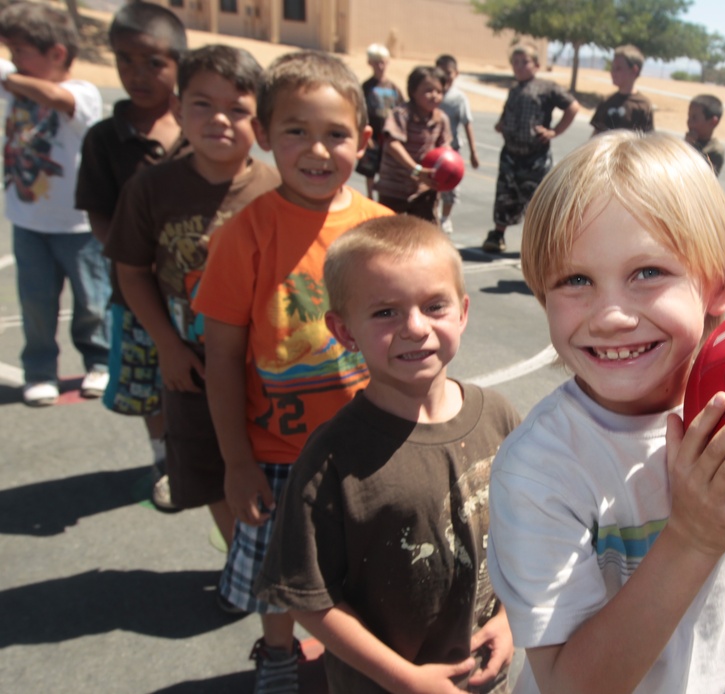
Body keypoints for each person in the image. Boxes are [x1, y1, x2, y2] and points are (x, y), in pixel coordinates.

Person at [487, 131, 725, 694]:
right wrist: (693, 536)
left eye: (647, 273)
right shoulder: (540, 470)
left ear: (718, 285)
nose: (611, 316)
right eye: (576, 280)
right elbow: (572, 686)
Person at [190, 50, 393, 694]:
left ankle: (364, 658)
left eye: (335, 133)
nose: (316, 149)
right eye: (296, 131)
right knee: (281, 575)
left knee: (362, 566)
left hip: (370, 445)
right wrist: (237, 461)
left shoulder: (382, 230)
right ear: (265, 137)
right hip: (278, 451)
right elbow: (220, 356)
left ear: (362, 141)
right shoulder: (244, 236)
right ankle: (278, 654)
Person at [255, 215, 521, 694]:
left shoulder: (499, 417)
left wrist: (509, 619)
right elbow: (308, 598)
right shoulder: (333, 457)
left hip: (486, 676)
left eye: (433, 305)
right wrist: (407, 681)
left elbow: (531, 535)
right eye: (385, 313)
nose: (414, 328)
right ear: (343, 330)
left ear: (462, 312)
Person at [106, 45, 279, 561]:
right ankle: (240, 561)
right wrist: (167, 347)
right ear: (178, 109)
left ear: (262, 124)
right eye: (203, 104)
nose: (220, 120)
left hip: (265, 369)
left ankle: (265, 566)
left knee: (265, 467)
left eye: (238, 109)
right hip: (191, 367)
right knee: (207, 471)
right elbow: (132, 272)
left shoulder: (278, 189)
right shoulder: (150, 189)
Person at [75, 0, 187, 510]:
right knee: (153, 383)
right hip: (138, 291)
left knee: (205, 376)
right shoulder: (105, 138)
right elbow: (98, 213)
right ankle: (164, 459)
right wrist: (129, 260)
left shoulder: (204, 128)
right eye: (124, 60)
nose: (136, 74)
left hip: (202, 294)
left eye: (153, 63)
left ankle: (201, 452)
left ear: (180, 66)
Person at [0, 2, 106, 406]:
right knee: (36, 303)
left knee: (92, 302)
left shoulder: (83, 93)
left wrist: (14, 77)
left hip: (77, 226)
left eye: (21, 52)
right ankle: (40, 371)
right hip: (28, 221)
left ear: (57, 53)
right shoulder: (16, 79)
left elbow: (55, 97)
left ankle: (99, 361)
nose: (14, 62)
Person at [482, 43, 579, 254]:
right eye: (515, 62)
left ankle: (540, 243)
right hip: (510, 154)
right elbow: (507, 112)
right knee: (505, 196)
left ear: (536, 65)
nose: (519, 66)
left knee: (537, 201)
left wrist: (555, 131)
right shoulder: (514, 90)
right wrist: (502, 124)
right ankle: (498, 234)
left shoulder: (546, 87)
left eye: (524, 62)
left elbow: (572, 106)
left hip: (535, 156)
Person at [375, 65, 451, 221]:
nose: (434, 95)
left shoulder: (441, 119)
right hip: (394, 187)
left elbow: (445, 149)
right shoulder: (402, 114)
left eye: (439, 91)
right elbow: (393, 144)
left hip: (423, 189)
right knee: (389, 233)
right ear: (413, 91)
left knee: (424, 233)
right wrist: (416, 170)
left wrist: (446, 173)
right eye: (428, 90)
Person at [435, 53, 480, 234]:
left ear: (456, 73)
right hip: (432, 149)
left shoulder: (458, 98)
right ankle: (432, 215)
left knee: (451, 188)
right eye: (441, 71)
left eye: (449, 72)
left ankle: (445, 218)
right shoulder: (431, 93)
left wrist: (473, 151)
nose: (445, 76)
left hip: (451, 151)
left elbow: (467, 123)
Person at [356, 43, 404, 199]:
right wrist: (365, 133)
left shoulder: (393, 87)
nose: (380, 66)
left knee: (387, 167)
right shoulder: (366, 87)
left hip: (388, 135)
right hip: (373, 135)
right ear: (370, 63)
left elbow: (402, 110)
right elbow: (359, 110)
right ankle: (370, 196)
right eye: (376, 62)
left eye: (383, 62)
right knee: (370, 169)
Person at [590, 44, 655, 136]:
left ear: (634, 71)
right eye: (612, 68)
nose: (613, 72)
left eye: (618, 68)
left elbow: (647, 139)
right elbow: (596, 133)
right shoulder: (606, 101)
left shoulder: (643, 105)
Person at [685, 93, 725, 175]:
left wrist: (688, 148)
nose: (689, 122)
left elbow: (703, 177)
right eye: (689, 117)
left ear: (713, 122)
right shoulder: (687, 142)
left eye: (694, 118)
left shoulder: (715, 151)